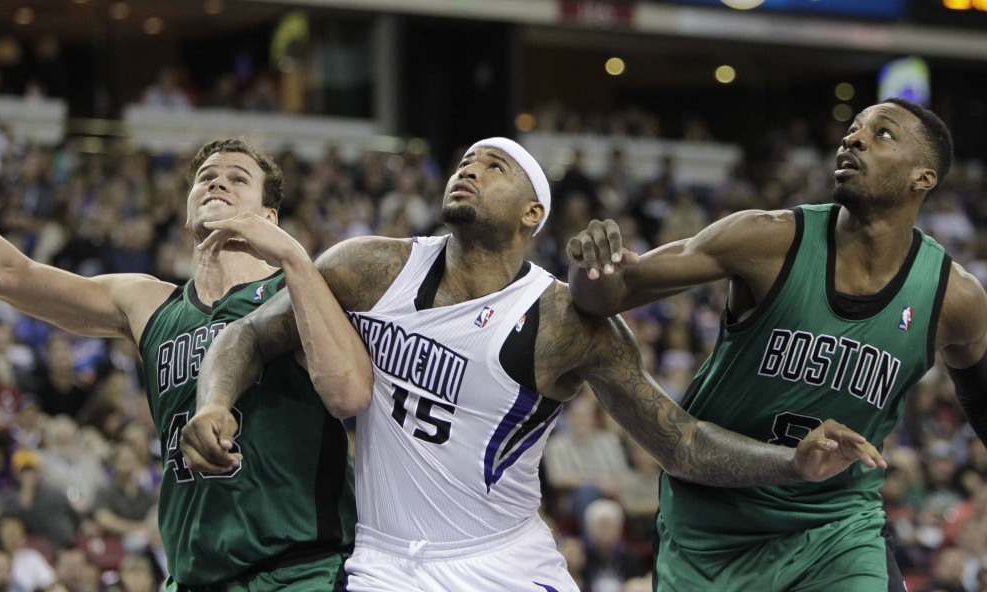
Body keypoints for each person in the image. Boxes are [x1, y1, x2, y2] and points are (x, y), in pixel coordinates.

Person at [181, 136, 885, 591]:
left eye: (495, 166)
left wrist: (789, 464)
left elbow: (681, 443)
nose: (469, 169)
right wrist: (214, 404)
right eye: (465, 161)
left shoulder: (565, 324)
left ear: (532, 213)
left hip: (503, 564)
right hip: (383, 561)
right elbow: (245, 337)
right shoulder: (372, 266)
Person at [565, 98, 987, 591]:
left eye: (883, 134)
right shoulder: (766, 239)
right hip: (713, 521)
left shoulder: (954, 297)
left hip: (836, 525)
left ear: (924, 178)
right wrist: (589, 269)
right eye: (853, 130)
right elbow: (607, 294)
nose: (853, 139)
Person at [0, 137, 373, 590]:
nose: (217, 183)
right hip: (193, 576)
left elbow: (350, 392)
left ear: (269, 218)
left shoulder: (299, 292)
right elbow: (12, 275)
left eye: (237, 178)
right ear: (188, 210)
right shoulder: (147, 302)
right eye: (205, 178)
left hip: (300, 568)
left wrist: (293, 259)